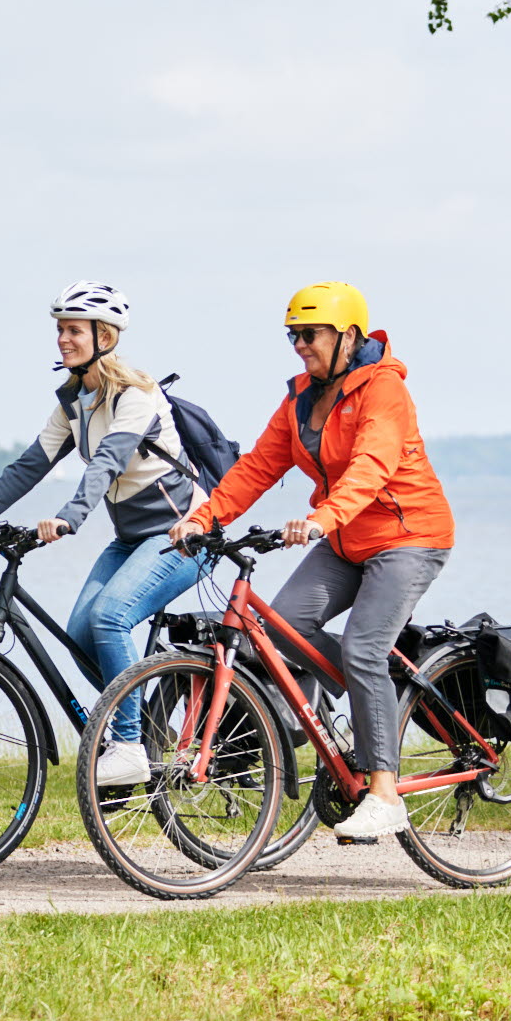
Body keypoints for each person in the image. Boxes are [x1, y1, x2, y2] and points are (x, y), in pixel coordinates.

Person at [169, 281, 454, 841]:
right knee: (282, 628)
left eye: (310, 334)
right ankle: (380, 695)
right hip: (346, 539)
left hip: (408, 535)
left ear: (349, 336)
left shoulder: (384, 389)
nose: (300, 345)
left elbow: (371, 467)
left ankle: (384, 793)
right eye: (293, 336)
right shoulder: (301, 397)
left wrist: (323, 517)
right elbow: (257, 467)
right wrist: (205, 517)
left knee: (363, 647)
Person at [0, 283, 212, 786]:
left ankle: (127, 746)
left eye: (74, 330)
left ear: (104, 337)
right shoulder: (74, 403)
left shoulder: (137, 397)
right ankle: (148, 728)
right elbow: (28, 467)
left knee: (110, 617)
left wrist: (69, 517)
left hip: (183, 535)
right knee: (81, 635)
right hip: (132, 538)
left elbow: (106, 463)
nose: (63, 339)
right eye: (60, 330)